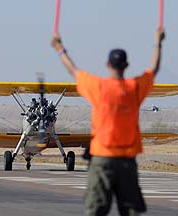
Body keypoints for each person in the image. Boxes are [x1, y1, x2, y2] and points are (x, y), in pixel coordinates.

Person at [51, 28, 165, 216]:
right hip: (127, 160)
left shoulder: (99, 87)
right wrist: (158, 42)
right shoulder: (134, 88)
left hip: (102, 158)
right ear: (126, 65)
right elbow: (153, 70)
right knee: (130, 210)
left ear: (107, 64)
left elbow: (74, 71)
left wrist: (59, 48)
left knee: (96, 209)